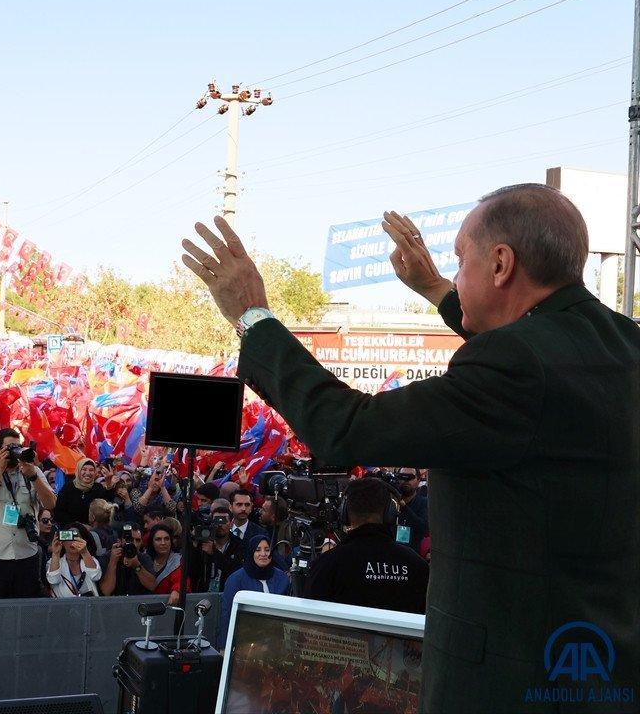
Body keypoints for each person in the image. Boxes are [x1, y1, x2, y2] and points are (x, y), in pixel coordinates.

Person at [180, 185, 640, 712]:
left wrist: (254, 320)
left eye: (460, 261)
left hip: (509, 681)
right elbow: (532, 357)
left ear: (501, 264)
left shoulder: (516, 369)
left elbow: (347, 427)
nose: (456, 275)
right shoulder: (622, 343)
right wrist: (435, 289)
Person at [303, 478, 429, 614]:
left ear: (344, 513)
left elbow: (309, 626)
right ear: (390, 513)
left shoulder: (326, 565)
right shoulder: (417, 566)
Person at [0, 428, 56, 598]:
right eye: (10, 447)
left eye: (18, 447)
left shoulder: (32, 471)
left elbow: (51, 503)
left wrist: (34, 477)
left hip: (26, 551)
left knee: (25, 606)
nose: (15, 451)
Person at [217, 535, 292, 649]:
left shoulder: (282, 578)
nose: (263, 554)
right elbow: (226, 614)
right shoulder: (236, 579)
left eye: (267, 550)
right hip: (245, 644)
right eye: (258, 550)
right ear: (250, 552)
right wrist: (224, 648)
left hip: (276, 644)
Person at [189, 498, 244, 593]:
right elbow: (192, 572)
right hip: (202, 593)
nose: (219, 525)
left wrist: (214, 553)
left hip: (226, 593)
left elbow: (235, 572)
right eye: (216, 521)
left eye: (223, 521)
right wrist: (194, 545)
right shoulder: (202, 543)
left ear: (231, 524)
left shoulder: (239, 545)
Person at [98, 523, 156, 596]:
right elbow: (106, 591)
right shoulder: (107, 557)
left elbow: (152, 586)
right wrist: (113, 562)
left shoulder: (143, 558)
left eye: (137, 540)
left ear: (141, 542)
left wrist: (137, 566)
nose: (134, 543)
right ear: (119, 541)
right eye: (130, 539)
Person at [52, 457, 112, 527]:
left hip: (93, 532)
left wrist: (109, 485)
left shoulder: (98, 488)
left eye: (91, 470)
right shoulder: (68, 488)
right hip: (72, 530)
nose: (87, 473)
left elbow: (106, 507)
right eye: (84, 469)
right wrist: (79, 527)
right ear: (78, 471)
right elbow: (59, 513)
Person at [45, 523, 102, 597]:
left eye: (76, 537)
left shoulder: (91, 559)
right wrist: (55, 553)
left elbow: (96, 576)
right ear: (63, 541)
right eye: (69, 537)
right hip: (64, 606)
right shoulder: (53, 562)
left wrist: (85, 552)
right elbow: (53, 580)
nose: (72, 541)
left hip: (88, 605)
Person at [142, 522, 187, 603]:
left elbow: (180, 579)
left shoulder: (178, 560)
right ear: (152, 542)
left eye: (166, 539)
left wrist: (177, 591)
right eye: (158, 539)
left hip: (166, 608)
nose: (163, 543)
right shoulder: (143, 558)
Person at [394, 467, 428, 554]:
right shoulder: (391, 502)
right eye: (402, 477)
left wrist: (404, 508)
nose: (406, 481)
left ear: (418, 480)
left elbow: (424, 528)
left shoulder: (423, 503)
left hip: (413, 554)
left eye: (410, 477)